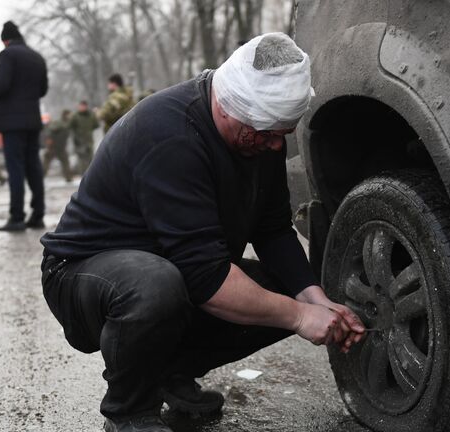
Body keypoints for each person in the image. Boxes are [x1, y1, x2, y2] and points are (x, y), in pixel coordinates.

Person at [40, 33, 365, 432]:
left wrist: (317, 301)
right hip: (81, 275)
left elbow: (273, 231)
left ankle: (169, 374)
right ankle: (129, 411)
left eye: (283, 132)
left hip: (171, 267)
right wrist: (299, 317)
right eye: (265, 132)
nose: (274, 145)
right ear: (230, 108)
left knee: (274, 287)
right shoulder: (170, 134)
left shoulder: (260, 135)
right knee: (157, 286)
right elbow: (205, 277)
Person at [0, 20, 48, 231]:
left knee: (15, 169)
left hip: (12, 123)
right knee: (34, 167)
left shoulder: (8, 55)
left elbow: (0, 86)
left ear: (5, 40)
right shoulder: (37, 57)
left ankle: (17, 217)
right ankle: (38, 214)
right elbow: (43, 90)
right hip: (32, 121)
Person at [42, 109, 73, 182]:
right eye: (69, 115)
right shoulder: (59, 123)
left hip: (61, 147)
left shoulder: (68, 123)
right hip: (54, 146)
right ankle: (40, 177)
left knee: (65, 162)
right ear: (65, 115)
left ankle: (68, 178)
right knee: (47, 161)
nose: (70, 116)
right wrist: (49, 141)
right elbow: (50, 130)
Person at [68, 101, 98, 175]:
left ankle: (91, 175)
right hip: (79, 141)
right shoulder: (75, 116)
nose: (82, 108)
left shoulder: (91, 115)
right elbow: (70, 126)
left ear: (86, 106)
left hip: (89, 140)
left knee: (90, 158)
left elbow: (96, 125)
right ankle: (82, 175)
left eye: (83, 106)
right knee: (81, 160)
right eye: (81, 106)